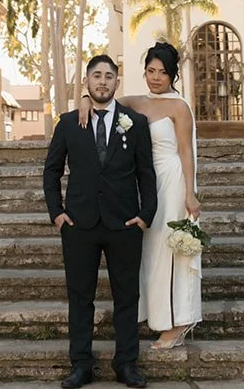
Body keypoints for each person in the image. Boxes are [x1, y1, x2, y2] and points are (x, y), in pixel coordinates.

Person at [44, 55, 157, 389]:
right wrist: (57, 213)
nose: (103, 81)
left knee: (127, 296)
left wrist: (145, 215)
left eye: (109, 76)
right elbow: (51, 171)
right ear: (86, 83)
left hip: (125, 224)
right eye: (97, 76)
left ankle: (126, 364)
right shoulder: (67, 123)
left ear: (117, 83)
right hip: (79, 224)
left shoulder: (134, 122)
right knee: (81, 297)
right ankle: (80, 364)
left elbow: (146, 174)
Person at [79, 42, 201, 350]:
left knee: (167, 250)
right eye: (150, 71)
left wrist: (190, 193)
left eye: (162, 72)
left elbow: (187, 153)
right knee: (148, 251)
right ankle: (155, 315)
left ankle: (177, 322)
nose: (156, 77)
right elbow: (104, 98)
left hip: (172, 180)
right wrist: (83, 99)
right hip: (142, 184)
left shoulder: (178, 107)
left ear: (172, 75)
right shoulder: (136, 101)